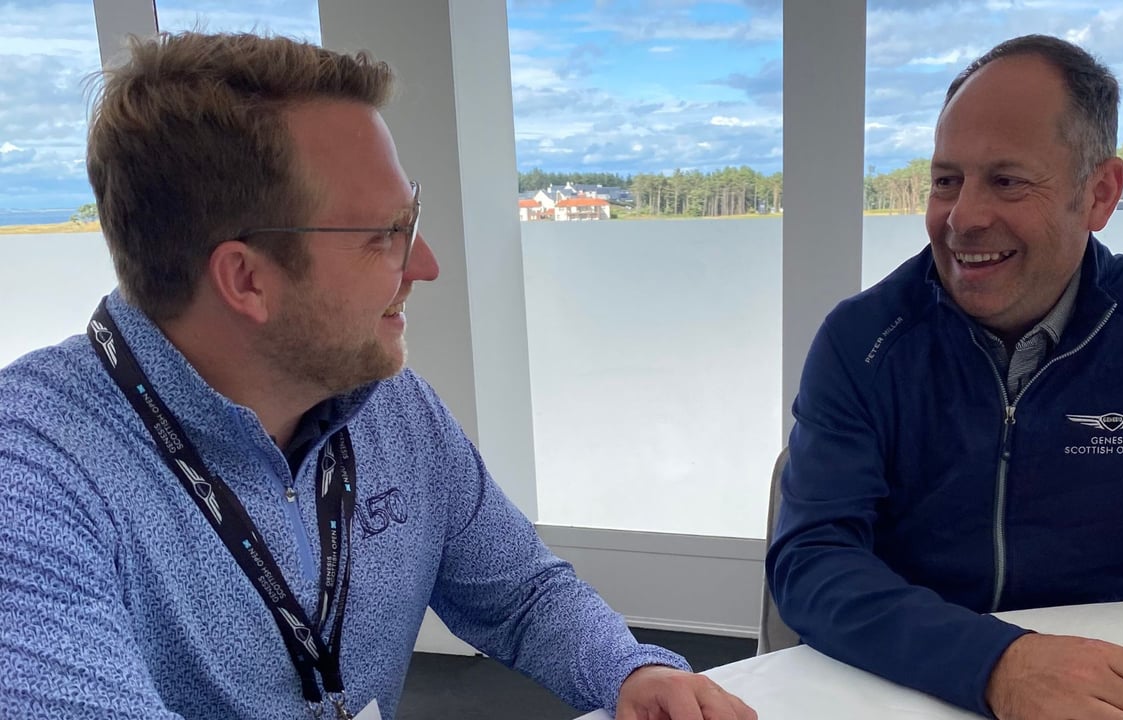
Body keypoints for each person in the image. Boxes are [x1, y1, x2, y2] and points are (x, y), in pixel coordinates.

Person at [0, 32, 755, 720]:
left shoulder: (387, 408)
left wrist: (628, 673)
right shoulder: (34, 475)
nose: (424, 266)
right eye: (383, 237)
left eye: (411, 222)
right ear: (246, 280)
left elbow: (521, 595)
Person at [766, 33, 1123, 720]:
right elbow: (813, 558)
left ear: (1099, 193)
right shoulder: (864, 342)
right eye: (947, 179)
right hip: (902, 683)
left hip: (1110, 689)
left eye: (1006, 181)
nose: (963, 218)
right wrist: (998, 662)